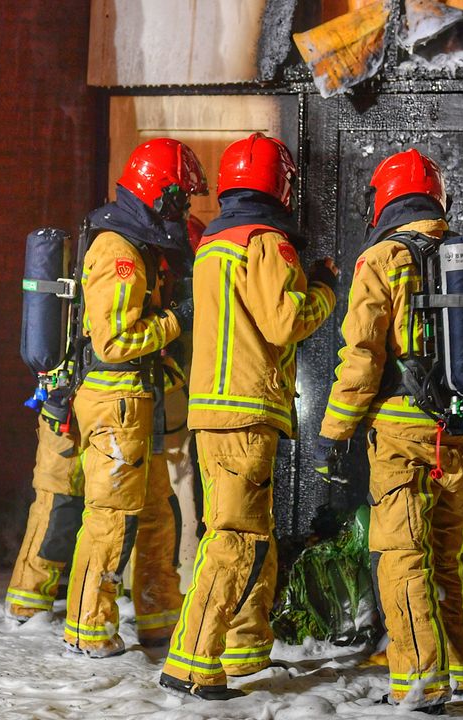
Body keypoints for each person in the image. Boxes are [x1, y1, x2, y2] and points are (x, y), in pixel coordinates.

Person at [315, 149, 463, 711]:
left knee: (405, 557)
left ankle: (421, 685)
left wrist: (335, 432)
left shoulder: (380, 260)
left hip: (400, 438)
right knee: (454, 556)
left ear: (386, 200)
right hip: (459, 435)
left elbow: (362, 358)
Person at [158, 133, 338, 700]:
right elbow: (287, 321)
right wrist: (326, 287)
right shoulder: (266, 243)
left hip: (213, 412)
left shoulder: (213, 243)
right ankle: (191, 661)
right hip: (246, 414)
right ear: (280, 185)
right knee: (235, 539)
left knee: (246, 532)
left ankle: (243, 645)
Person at [63, 138, 206, 657]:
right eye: (180, 199)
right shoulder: (119, 252)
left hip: (135, 404)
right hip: (113, 405)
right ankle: (87, 628)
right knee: (109, 517)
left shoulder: (139, 245)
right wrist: (176, 320)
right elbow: (114, 340)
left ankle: (159, 616)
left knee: (155, 514)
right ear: (158, 193)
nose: (184, 209)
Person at [4, 418, 83, 621]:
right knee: (56, 517)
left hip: (83, 427)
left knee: (63, 517)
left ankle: (30, 603)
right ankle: (27, 605)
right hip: (66, 431)